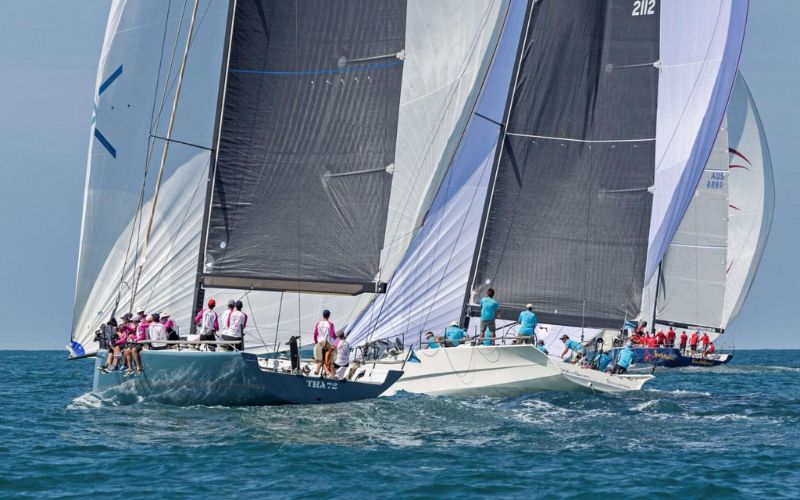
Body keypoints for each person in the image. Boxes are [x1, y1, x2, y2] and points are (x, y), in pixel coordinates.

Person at [313, 310, 335, 376]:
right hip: (327, 343)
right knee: (327, 360)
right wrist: (336, 338)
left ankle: (317, 371)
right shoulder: (330, 324)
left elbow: (315, 334)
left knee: (320, 359)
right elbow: (332, 334)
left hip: (319, 343)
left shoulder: (318, 323)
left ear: (323, 315)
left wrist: (316, 342)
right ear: (329, 315)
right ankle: (328, 373)